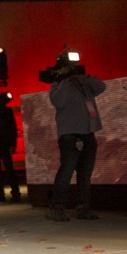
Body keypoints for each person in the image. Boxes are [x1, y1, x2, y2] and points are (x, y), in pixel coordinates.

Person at [46, 55, 104, 222]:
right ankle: (57, 208)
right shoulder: (57, 85)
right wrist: (64, 78)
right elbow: (58, 102)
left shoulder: (83, 83)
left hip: (88, 132)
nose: (73, 68)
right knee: (66, 172)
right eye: (70, 66)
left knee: (85, 174)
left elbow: (101, 87)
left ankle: (83, 208)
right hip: (70, 135)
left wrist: (83, 76)